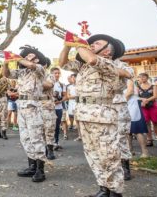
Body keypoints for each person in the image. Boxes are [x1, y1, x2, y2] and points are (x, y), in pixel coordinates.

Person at [60, 33, 126, 197]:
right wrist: (68, 44)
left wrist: (79, 44)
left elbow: (92, 59)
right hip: (84, 113)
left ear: (107, 51)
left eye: (97, 43)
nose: (91, 45)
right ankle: (104, 189)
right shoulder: (83, 66)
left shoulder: (108, 63)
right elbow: (62, 63)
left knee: (108, 155)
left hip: (102, 114)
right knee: (93, 154)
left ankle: (116, 192)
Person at [4, 45, 51, 183]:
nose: (27, 57)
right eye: (27, 55)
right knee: (25, 138)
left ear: (37, 59)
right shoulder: (21, 72)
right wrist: (6, 61)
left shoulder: (40, 69)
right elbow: (6, 74)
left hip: (33, 107)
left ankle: (40, 170)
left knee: (36, 138)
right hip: (21, 106)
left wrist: (19, 57)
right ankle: (31, 166)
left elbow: (30, 64)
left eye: (31, 56)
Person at [113, 55, 135, 181]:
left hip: (117, 104)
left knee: (121, 137)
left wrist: (107, 68)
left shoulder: (121, 64)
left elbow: (129, 74)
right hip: (100, 106)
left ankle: (125, 166)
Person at [136, 73, 157, 147]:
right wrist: (142, 100)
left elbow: (155, 96)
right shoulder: (138, 87)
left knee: (156, 123)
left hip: (153, 106)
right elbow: (136, 96)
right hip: (143, 107)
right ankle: (149, 139)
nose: (142, 78)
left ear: (147, 77)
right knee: (146, 124)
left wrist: (146, 100)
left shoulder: (153, 86)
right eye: (140, 77)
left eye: (143, 77)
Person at [42, 67, 60, 159]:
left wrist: (35, 81)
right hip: (34, 107)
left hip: (47, 106)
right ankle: (43, 149)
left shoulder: (49, 76)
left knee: (49, 129)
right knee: (39, 131)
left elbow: (48, 85)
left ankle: (50, 150)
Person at [65, 73, 79, 140]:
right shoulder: (69, 87)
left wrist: (74, 97)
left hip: (78, 103)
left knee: (78, 119)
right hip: (71, 103)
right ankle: (71, 125)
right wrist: (75, 97)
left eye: (74, 77)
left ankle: (80, 135)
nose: (73, 79)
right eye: (72, 78)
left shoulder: (79, 85)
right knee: (71, 116)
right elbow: (68, 96)